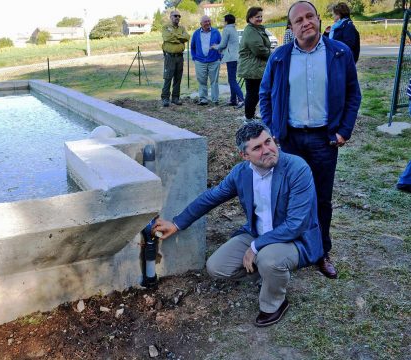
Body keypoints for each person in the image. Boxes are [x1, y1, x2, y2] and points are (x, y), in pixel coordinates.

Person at [153, 121, 323, 327]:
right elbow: (211, 197)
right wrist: (177, 223)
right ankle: (270, 274)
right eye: (257, 148)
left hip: (295, 239)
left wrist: (255, 247)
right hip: (256, 233)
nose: (267, 150)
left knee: (269, 260)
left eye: (268, 142)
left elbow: (295, 224)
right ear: (244, 156)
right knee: (216, 267)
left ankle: (274, 304)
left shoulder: (297, 168)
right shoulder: (241, 173)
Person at [259, 1, 362, 279]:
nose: (306, 23)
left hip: (323, 140)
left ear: (318, 19)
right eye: (298, 20)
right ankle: (288, 248)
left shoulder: (340, 53)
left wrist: (343, 130)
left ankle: (321, 252)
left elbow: (354, 94)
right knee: (287, 196)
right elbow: (265, 96)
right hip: (289, 139)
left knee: (321, 199)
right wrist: (272, 132)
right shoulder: (280, 57)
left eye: (309, 17)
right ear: (291, 28)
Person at [238, 7, 271, 120]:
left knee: (254, 93)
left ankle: (250, 115)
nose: (260, 19)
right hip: (252, 68)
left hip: (255, 67)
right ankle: (248, 117)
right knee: (253, 93)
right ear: (250, 17)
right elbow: (259, 50)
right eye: (257, 17)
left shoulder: (256, 29)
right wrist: (272, 54)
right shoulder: (251, 31)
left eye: (261, 16)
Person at [212, 14, 245, 108]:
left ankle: (242, 99)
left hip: (231, 57)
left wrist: (214, 47)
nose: (223, 22)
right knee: (232, 79)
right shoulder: (233, 29)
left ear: (226, 21)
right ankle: (233, 100)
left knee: (232, 80)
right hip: (235, 57)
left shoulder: (227, 29)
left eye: (223, 20)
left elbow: (222, 44)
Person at [161, 10, 190, 108]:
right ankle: (165, 98)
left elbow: (187, 37)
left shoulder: (182, 28)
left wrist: (175, 36)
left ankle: (175, 98)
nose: (177, 17)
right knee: (168, 77)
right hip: (170, 57)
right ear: (170, 17)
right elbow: (167, 38)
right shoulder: (166, 27)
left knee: (178, 78)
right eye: (175, 16)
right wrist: (180, 38)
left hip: (180, 57)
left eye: (179, 16)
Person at [191, 15, 222, 105]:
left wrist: (220, 57)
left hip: (214, 61)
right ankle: (203, 99)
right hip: (200, 61)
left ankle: (215, 100)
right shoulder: (196, 33)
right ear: (201, 24)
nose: (208, 23)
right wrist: (194, 57)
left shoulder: (216, 32)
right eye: (205, 22)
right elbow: (192, 47)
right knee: (202, 81)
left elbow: (221, 45)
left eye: (209, 21)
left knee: (214, 81)